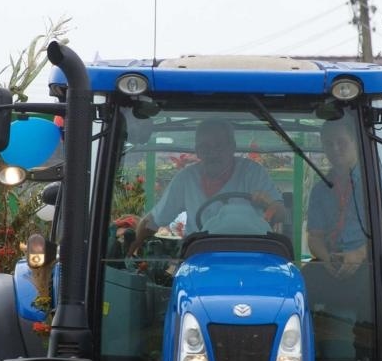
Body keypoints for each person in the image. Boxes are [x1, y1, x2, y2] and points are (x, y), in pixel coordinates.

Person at [128, 118, 287, 254]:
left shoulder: (252, 173)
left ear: (232, 147)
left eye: (219, 146)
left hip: (249, 254)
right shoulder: (186, 178)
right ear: (197, 151)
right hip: (198, 257)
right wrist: (131, 250)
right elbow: (154, 220)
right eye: (205, 147)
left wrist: (269, 203)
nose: (212, 153)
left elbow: (280, 213)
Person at [306, 119, 369, 275]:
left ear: (355, 142)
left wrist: (359, 254)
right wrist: (328, 261)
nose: (335, 148)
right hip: (330, 262)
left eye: (341, 142)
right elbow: (315, 237)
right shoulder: (320, 190)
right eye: (328, 144)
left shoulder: (373, 183)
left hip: (368, 263)